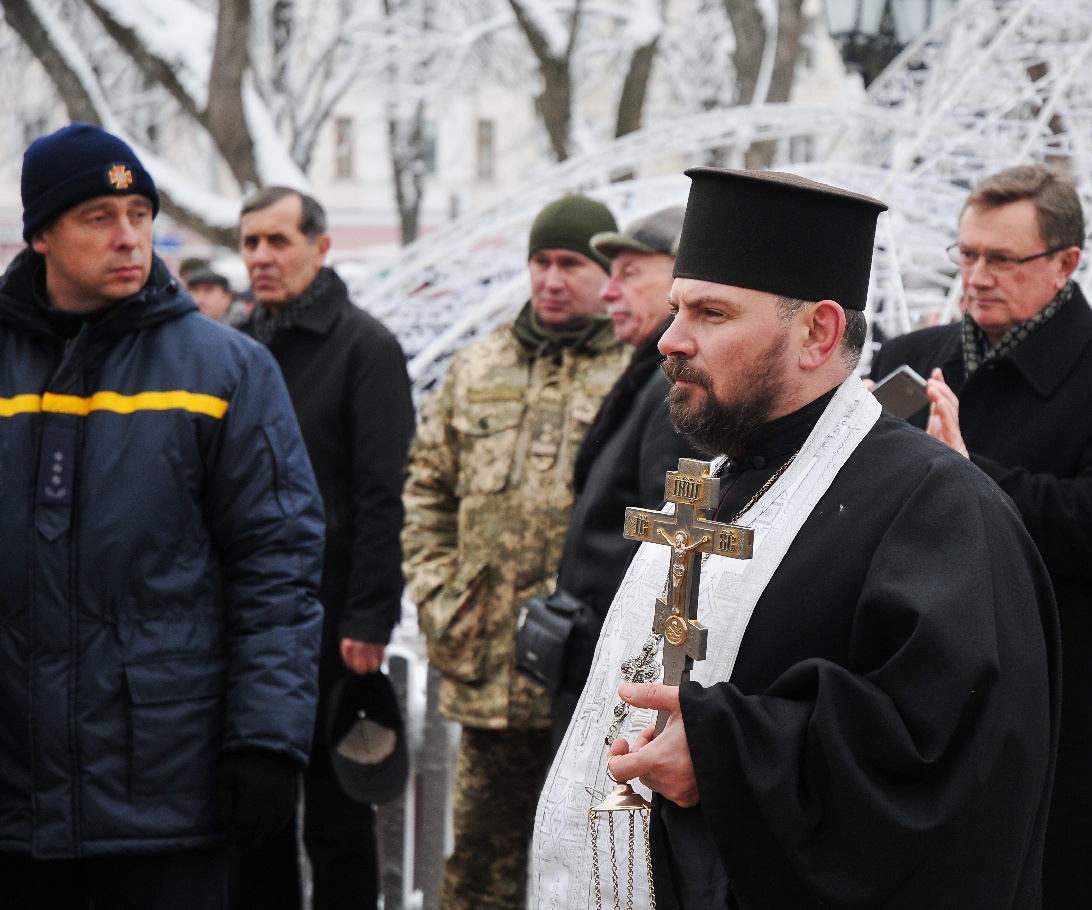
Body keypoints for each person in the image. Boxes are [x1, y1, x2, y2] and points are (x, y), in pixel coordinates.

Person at [531, 167, 1060, 910]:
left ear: (817, 332)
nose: (670, 340)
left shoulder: (938, 508)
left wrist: (726, 752)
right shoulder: (720, 482)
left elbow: (952, 759)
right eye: (676, 308)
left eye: (711, 313)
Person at [0, 125, 324, 909]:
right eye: (99, 217)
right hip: (13, 792)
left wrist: (266, 741)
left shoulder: (227, 370)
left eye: (140, 214)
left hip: (165, 787)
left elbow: (278, 567)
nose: (129, 238)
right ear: (41, 235)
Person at [869, 163, 1092, 910]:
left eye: (1002, 259)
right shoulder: (907, 359)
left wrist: (966, 473)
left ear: (1065, 264)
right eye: (967, 254)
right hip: (911, 710)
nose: (977, 276)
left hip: (1049, 722)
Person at [403, 194, 629, 910]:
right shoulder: (477, 367)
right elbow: (426, 490)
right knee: (478, 869)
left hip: (590, 680)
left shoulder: (637, 374)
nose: (551, 279)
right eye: (540, 262)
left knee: (589, 870)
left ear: (607, 273)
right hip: (491, 663)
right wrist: (440, 596)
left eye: (571, 264)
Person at [228, 187, 415, 910]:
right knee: (255, 808)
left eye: (278, 240)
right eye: (250, 242)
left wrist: (369, 617)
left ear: (321, 247)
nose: (261, 257)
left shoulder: (365, 347)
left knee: (337, 815)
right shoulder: (237, 344)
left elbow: (382, 494)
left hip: (332, 617)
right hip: (248, 615)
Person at [540, 205, 699, 748]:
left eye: (630, 274)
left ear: (683, 281)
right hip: (597, 661)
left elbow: (670, 549)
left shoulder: (675, 389)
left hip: (624, 684)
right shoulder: (648, 376)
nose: (608, 293)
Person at [185, 268, 249, 326]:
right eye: (195, 290)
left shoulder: (246, 326)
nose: (200, 298)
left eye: (208, 291)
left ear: (227, 297)